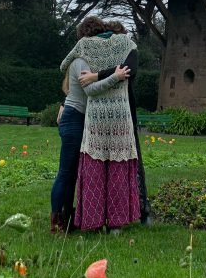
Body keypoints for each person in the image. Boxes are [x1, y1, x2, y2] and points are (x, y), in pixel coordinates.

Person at [50, 16, 129, 233]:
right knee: (66, 172)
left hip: (77, 117)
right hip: (74, 118)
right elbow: (90, 91)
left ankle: (67, 217)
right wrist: (116, 76)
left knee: (74, 172)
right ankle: (57, 220)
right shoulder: (81, 62)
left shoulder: (85, 60)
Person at [78, 19, 151, 224]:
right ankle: (107, 213)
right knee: (108, 166)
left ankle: (142, 209)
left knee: (130, 164)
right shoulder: (98, 54)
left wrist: (96, 76)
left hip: (123, 115)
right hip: (101, 116)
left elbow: (128, 69)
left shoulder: (129, 51)